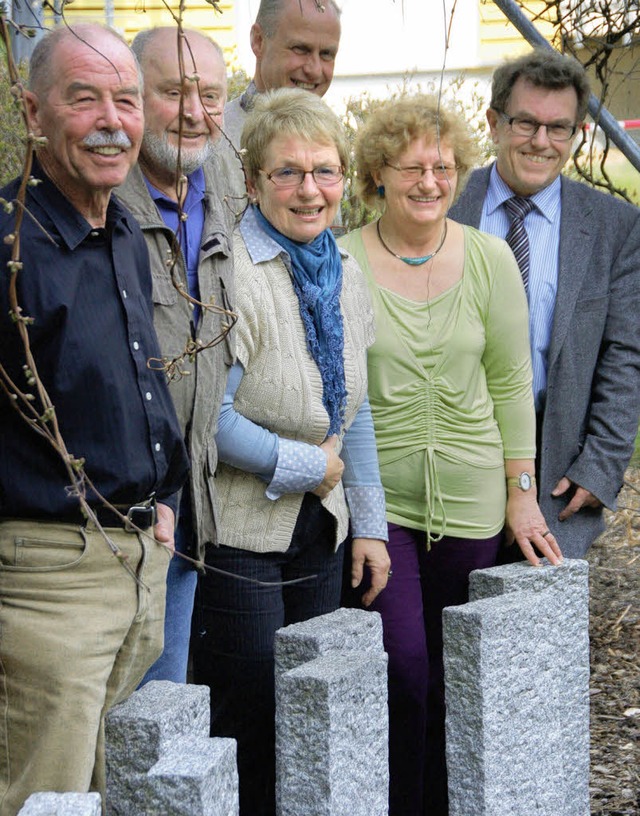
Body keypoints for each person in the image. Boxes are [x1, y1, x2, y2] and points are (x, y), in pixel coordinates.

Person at [338, 94, 563, 816]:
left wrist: (520, 491)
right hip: (383, 503)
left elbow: (509, 379)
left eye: (443, 166)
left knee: (460, 674)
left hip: (473, 501)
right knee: (404, 665)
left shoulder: (491, 258)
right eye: (412, 167)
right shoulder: (342, 260)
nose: (430, 181)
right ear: (378, 174)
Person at [0, 24, 189, 815]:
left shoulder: (123, 233)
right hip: (46, 583)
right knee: (40, 798)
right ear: (32, 112)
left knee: (111, 792)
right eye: (85, 98)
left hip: (138, 560)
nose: (113, 120)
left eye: (127, 99)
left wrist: (164, 495)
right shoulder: (8, 248)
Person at [191, 87, 390, 816]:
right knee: (249, 721)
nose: (310, 190)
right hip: (244, 540)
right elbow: (208, 421)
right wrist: (309, 467)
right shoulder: (231, 273)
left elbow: (356, 409)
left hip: (323, 535)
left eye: (325, 171)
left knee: (311, 721)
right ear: (253, 182)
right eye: (288, 172)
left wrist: (368, 524)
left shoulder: (343, 270)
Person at [450, 48, 640, 560]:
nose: (541, 142)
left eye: (559, 128)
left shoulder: (613, 227)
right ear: (493, 122)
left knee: (541, 632)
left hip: (561, 471)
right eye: (526, 123)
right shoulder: (445, 205)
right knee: (449, 624)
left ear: (577, 132)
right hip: (455, 457)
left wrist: (600, 466)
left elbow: (626, 357)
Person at [116, 26, 235, 685]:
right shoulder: (106, 203)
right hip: (116, 518)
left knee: (164, 707)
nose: (194, 110)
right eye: (174, 91)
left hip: (190, 511)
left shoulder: (221, 190)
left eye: (210, 94)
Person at [218, 0, 342, 205]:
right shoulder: (216, 140)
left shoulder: (331, 137)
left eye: (326, 54)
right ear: (258, 41)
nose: (315, 69)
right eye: (301, 49)